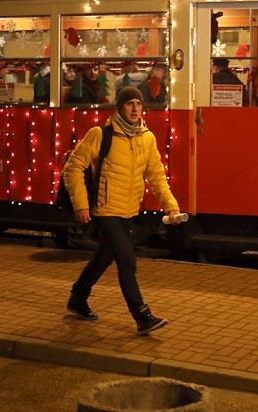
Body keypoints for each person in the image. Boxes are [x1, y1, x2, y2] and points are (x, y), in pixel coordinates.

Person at [63, 86, 182, 336]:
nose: (135, 108)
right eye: (130, 103)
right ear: (120, 107)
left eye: (138, 103)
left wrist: (171, 206)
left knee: (104, 257)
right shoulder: (100, 134)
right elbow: (74, 167)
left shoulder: (147, 138)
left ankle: (77, 298)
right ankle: (141, 315)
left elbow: (157, 177)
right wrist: (81, 204)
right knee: (126, 260)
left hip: (128, 210)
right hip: (105, 209)